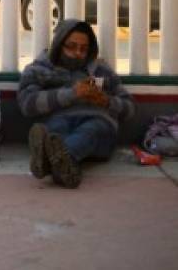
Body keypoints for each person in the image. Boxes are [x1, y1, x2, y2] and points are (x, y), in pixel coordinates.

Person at [20, 19, 135, 189]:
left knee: (91, 129)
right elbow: (27, 104)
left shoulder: (102, 70)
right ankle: (63, 166)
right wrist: (71, 94)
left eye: (84, 49)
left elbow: (130, 109)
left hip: (99, 125)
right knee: (55, 131)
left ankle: (49, 161)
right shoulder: (38, 70)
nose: (78, 53)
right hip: (59, 121)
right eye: (71, 47)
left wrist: (107, 101)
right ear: (59, 44)